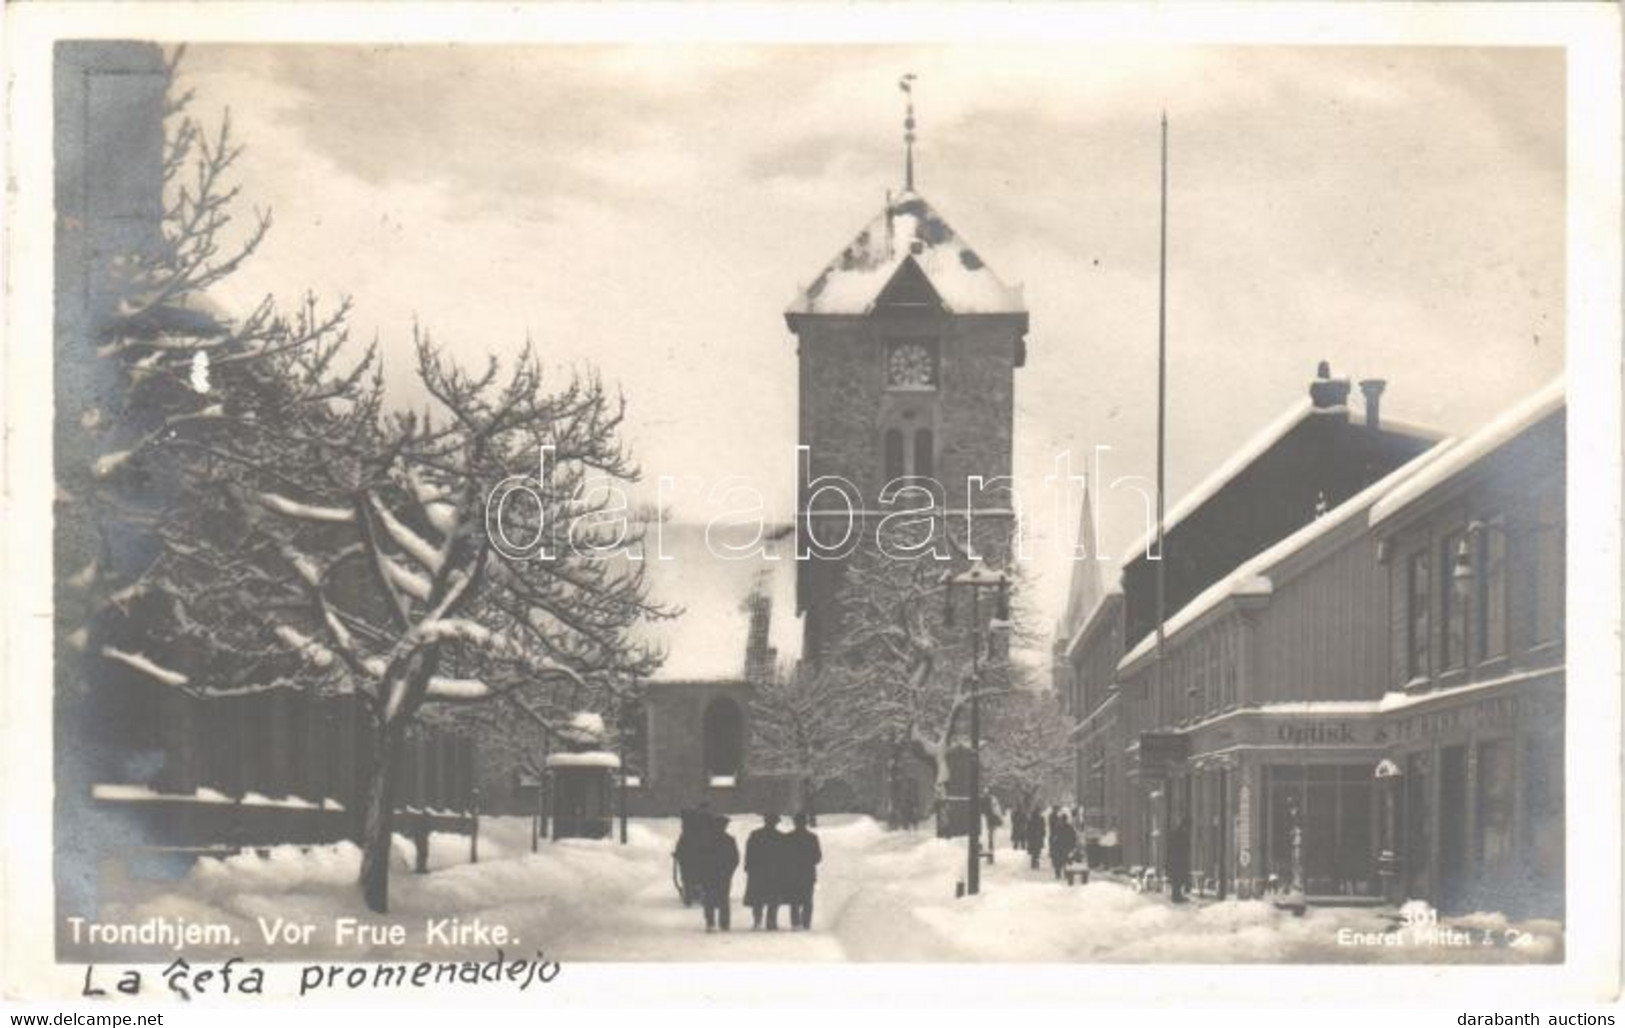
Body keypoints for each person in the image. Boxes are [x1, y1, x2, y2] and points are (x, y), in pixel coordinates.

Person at [744, 813, 786, 930]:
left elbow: (749, 852)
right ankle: (771, 922)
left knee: (758, 897)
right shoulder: (780, 837)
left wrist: (748, 867)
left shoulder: (756, 835)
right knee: (773, 897)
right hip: (774, 871)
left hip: (758, 870)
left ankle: (757, 921)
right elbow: (784, 857)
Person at [783, 811, 823, 930]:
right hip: (807, 873)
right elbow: (818, 857)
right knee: (807, 899)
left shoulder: (788, 837)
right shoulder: (812, 838)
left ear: (795, 823)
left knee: (794, 899)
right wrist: (808, 862)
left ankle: (795, 923)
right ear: (805, 823)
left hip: (792, 873)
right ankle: (806, 923)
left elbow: (783, 856)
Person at [699, 814, 738, 932]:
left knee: (709, 898)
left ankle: (710, 922)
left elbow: (700, 858)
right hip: (722, 874)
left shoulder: (706, 840)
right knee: (723, 898)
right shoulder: (729, 840)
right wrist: (729, 871)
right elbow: (734, 859)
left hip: (710, 874)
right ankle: (724, 923)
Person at [1167, 817, 1191, 903]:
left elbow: (1169, 849)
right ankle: (1176, 897)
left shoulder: (1175, 833)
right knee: (1178, 879)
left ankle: (1177, 896)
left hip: (1174, 861)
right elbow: (1183, 849)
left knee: (1177, 880)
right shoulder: (1181, 835)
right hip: (1178, 862)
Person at [1050, 810, 1077, 881]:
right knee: (1065, 861)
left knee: (1059, 861)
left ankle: (1059, 874)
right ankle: (1064, 874)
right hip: (1065, 847)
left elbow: (1052, 838)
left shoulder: (1057, 827)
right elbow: (1073, 838)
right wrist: (1072, 846)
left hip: (1059, 847)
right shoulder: (1069, 828)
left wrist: (1052, 847)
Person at [1025, 804, 1046, 871]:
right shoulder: (1039, 819)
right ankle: (1035, 862)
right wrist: (1042, 834)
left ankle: (1034, 862)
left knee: (1035, 851)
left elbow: (1043, 828)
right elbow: (1042, 828)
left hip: (1034, 837)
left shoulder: (1032, 819)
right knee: (1036, 851)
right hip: (1036, 837)